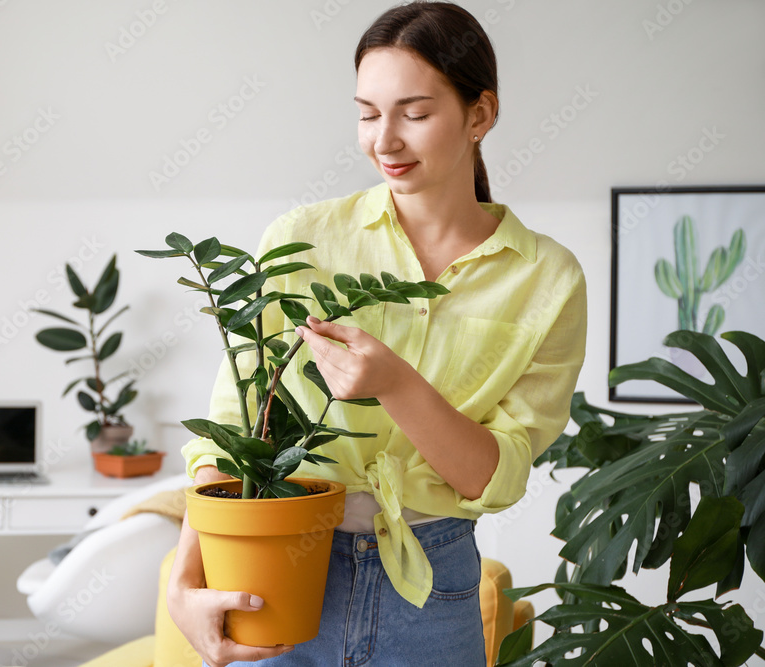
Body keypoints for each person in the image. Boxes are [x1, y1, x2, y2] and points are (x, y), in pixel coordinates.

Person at [167, 2, 587, 665]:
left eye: (414, 114)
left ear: (480, 114)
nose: (383, 140)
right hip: (277, 563)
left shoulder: (547, 279)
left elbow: (495, 476)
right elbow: (236, 425)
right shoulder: (301, 240)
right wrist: (182, 581)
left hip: (433, 584)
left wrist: (394, 383)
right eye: (367, 113)